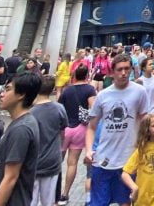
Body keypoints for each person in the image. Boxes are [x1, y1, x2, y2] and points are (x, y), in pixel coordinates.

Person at [85, 53, 149, 206]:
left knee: (125, 202)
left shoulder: (139, 92)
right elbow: (91, 127)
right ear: (112, 71)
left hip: (128, 160)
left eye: (127, 69)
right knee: (98, 203)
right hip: (103, 159)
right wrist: (88, 150)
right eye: (120, 69)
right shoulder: (103, 95)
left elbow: (144, 120)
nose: (124, 73)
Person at [0, 71, 41, 206]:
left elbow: (10, 177)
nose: (2, 94)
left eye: (8, 89)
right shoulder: (19, 123)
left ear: (21, 94)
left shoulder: (22, 129)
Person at [57, 65, 97, 205]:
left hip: (65, 128)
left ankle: (54, 191)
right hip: (80, 128)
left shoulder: (67, 90)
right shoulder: (90, 89)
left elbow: (59, 108)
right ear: (87, 75)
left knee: (57, 162)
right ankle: (65, 193)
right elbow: (93, 108)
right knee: (72, 163)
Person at [30, 75, 68, 206]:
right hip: (52, 160)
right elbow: (63, 133)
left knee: (31, 200)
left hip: (33, 163)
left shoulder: (30, 112)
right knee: (50, 200)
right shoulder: (59, 108)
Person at [120, 113, 154, 206]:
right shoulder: (142, 149)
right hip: (141, 198)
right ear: (147, 131)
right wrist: (134, 188)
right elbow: (125, 174)